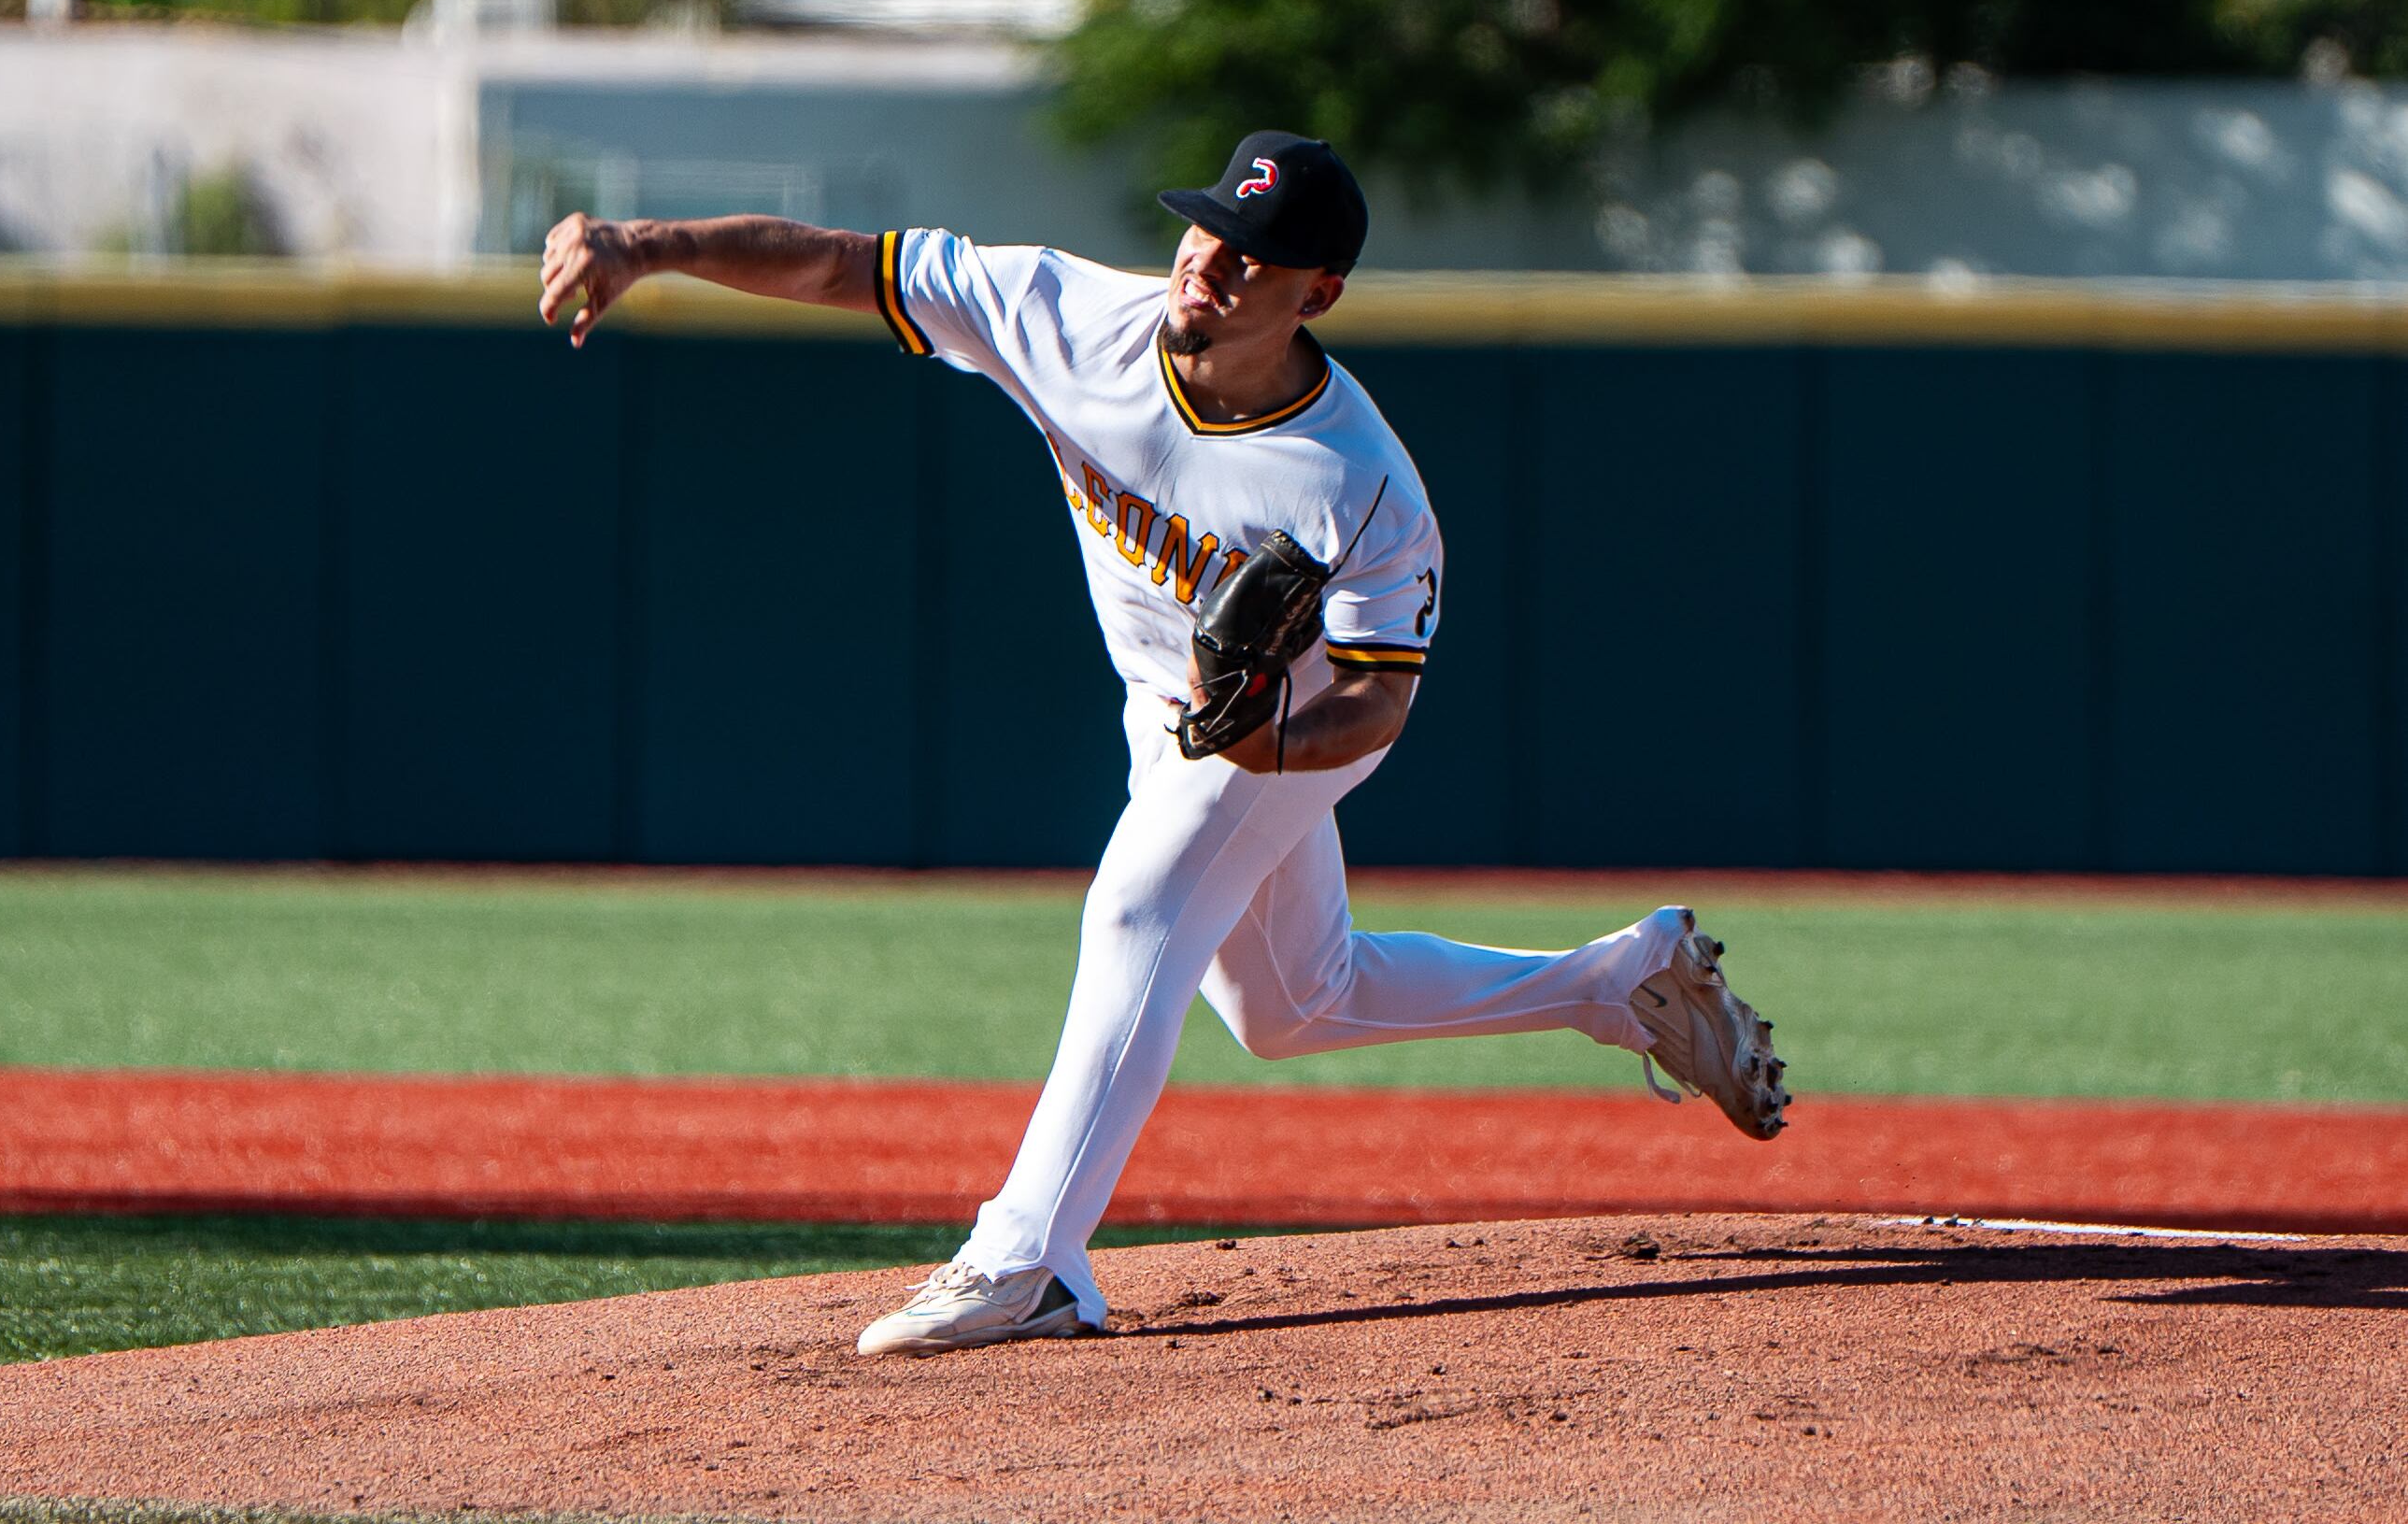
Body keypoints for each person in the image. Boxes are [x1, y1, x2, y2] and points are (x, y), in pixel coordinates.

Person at [536, 131, 1788, 1360]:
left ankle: (1029, 1259)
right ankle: (1617, 982)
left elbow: (1377, 702)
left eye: (1254, 254)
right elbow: (846, 268)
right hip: (1170, 703)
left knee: (1136, 910)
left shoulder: (1359, 484)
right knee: (1298, 1005)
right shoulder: (1065, 314)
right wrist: (643, 243)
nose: (1213, 262)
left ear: (1318, 294)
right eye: (1210, 227)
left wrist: (1268, 737)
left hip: (1291, 722)